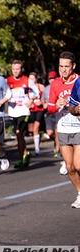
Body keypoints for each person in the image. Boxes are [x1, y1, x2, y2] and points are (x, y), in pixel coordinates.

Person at [48, 51, 80, 208]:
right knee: (69, 167)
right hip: (64, 128)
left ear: (73, 66)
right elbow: (50, 107)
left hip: (79, 127)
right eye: (61, 66)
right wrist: (57, 105)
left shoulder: (79, 81)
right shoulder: (56, 84)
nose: (63, 70)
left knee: (79, 165)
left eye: (67, 66)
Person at [6, 60, 39, 168]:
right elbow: (3, 93)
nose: (15, 71)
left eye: (17, 69)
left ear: (21, 69)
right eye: (14, 69)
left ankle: (20, 159)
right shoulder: (8, 81)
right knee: (18, 136)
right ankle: (26, 153)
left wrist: (31, 100)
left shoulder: (27, 80)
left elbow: (36, 92)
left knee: (19, 133)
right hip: (13, 111)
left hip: (24, 111)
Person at [41, 71, 60, 158]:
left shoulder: (59, 87)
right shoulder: (46, 89)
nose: (52, 80)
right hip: (49, 112)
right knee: (50, 132)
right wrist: (44, 103)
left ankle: (57, 149)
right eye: (50, 78)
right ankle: (56, 142)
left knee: (57, 132)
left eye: (53, 78)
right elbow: (43, 99)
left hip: (58, 112)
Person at [28, 72, 45, 155]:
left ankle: (37, 149)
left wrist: (42, 102)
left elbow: (46, 97)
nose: (31, 80)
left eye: (32, 78)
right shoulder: (27, 88)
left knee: (36, 129)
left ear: (36, 79)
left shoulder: (40, 86)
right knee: (30, 131)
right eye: (29, 78)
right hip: (31, 110)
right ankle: (38, 139)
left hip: (39, 109)